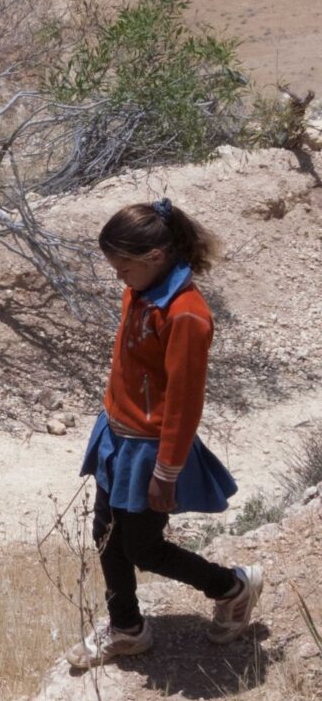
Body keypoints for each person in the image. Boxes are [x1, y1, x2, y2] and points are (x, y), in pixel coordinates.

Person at [66, 199, 263, 670]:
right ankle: (127, 628)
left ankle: (232, 587)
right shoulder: (140, 291)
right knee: (105, 532)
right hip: (117, 437)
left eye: (123, 267)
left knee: (144, 548)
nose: (118, 277)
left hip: (151, 450)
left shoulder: (186, 315)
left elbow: (184, 402)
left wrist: (167, 471)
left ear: (155, 257)